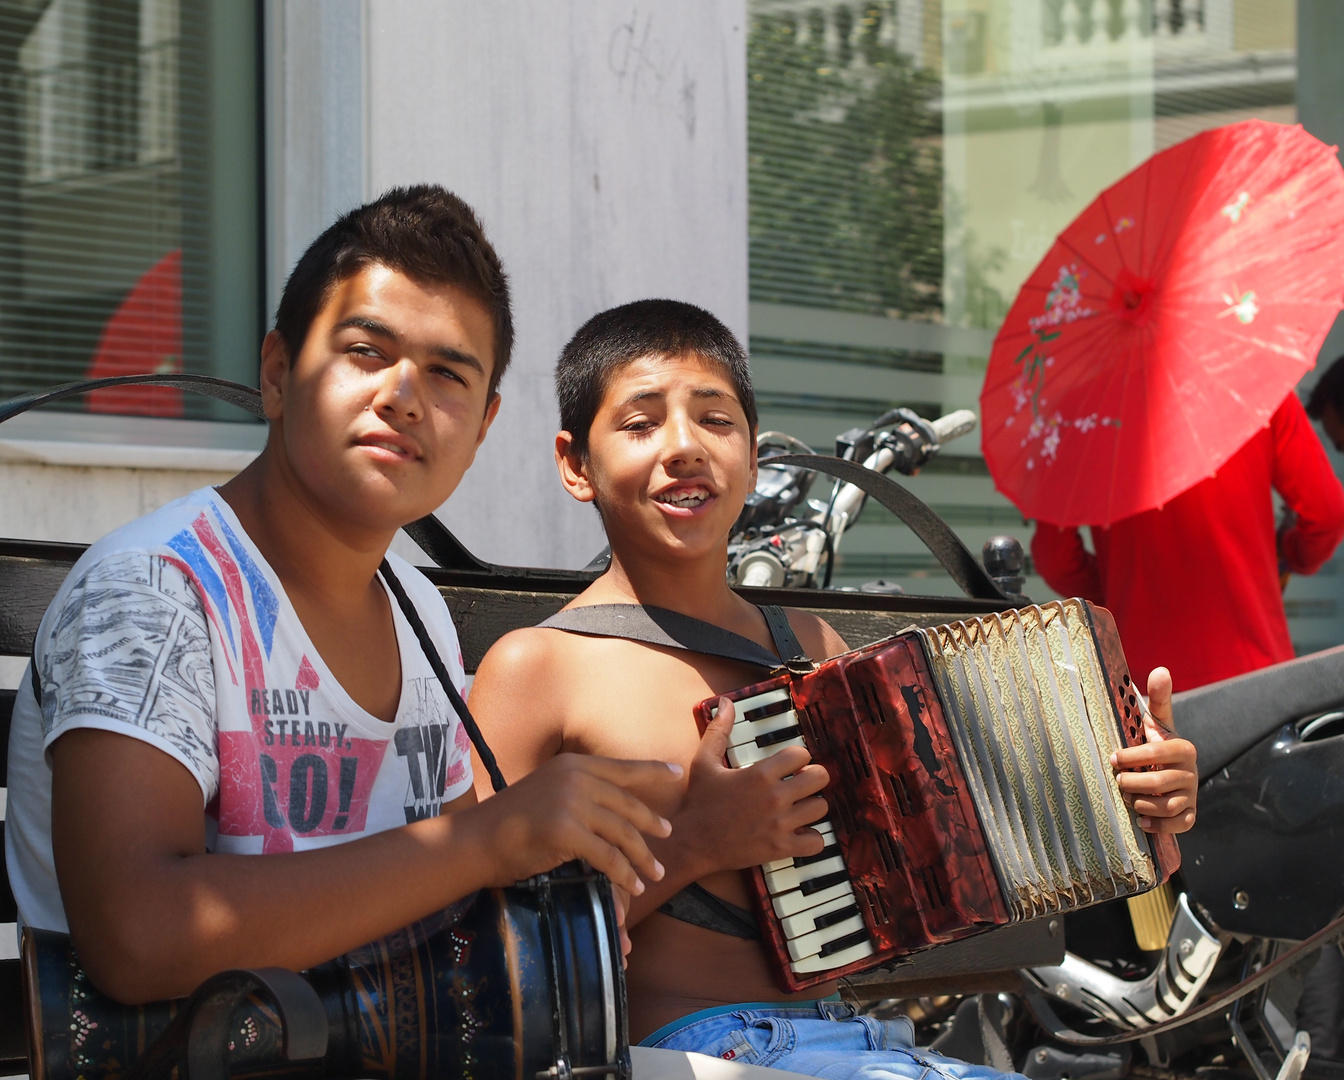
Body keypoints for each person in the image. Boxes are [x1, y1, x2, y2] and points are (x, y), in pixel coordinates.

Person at [467, 299, 1199, 1076]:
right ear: (575, 463)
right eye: (641, 424)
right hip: (685, 1053)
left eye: (715, 420)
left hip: (859, 1039)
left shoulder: (810, 648)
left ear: (754, 458)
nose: (683, 446)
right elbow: (478, 960)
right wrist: (694, 847)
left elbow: (947, 856)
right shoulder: (539, 668)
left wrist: (1129, 802)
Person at [3, 187, 682, 1005]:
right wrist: (486, 838)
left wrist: (557, 890)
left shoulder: (418, 613)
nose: (402, 395)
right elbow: (138, 939)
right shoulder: (155, 590)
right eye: (367, 351)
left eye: (446, 374)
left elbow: (451, 885)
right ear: (279, 372)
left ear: (482, 428)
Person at [1031, 390, 1344, 693]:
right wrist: (1292, 554)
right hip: (1256, 670)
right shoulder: (1254, 385)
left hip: (1145, 686)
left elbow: (1055, 560)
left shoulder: (1079, 417)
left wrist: (1122, 589)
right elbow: (1328, 515)